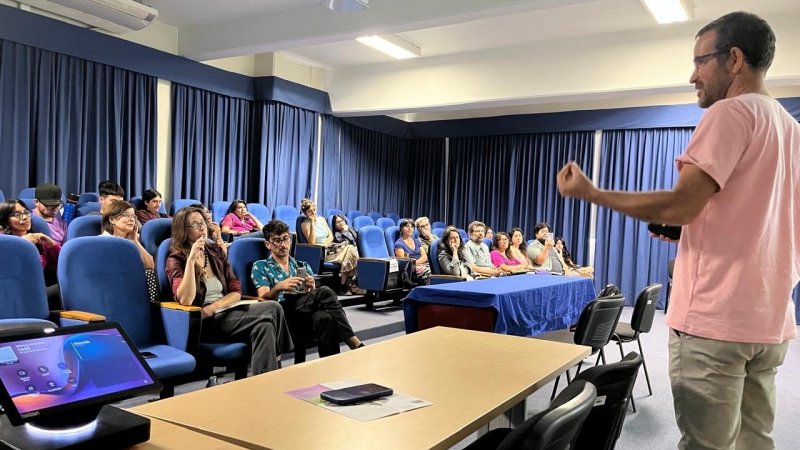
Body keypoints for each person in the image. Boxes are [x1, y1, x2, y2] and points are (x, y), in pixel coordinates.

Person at [556, 12, 798, 449]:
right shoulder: (791, 130)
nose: (693, 76)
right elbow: (762, 223)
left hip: (715, 323)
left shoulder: (730, 113)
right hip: (768, 320)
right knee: (755, 441)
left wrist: (592, 194)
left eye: (701, 61)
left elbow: (680, 204)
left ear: (735, 59)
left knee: (706, 444)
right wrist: (693, 233)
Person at [166, 208, 293, 375]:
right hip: (203, 320)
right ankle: (279, 358)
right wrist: (190, 261)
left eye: (203, 222)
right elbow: (186, 300)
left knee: (265, 326)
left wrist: (215, 306)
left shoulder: (215, 252)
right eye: (195, 224)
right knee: (273, 307)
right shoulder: (175, 259)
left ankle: (263, 386)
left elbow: (236, 290)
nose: (202, 227)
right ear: (183, 229)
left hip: (224, 311)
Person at [252, 219, 364, 358]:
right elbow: (262, 298)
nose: (283, 244)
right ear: (268, 244)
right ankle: (352, 341)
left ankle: (330, 365)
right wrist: (278, 288)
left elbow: (312, 297)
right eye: (277, 240)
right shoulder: (261, 266)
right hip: (283, 311)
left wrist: (311, 288)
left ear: (290, 240)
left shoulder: (302, 265)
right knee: (325, 292)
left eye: (285, 239)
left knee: (325, 317)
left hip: (304, 311)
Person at [299, 199, 362, 294]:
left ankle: (343, 285)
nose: (313, 213)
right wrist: (312, 223)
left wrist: (325, 246)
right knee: (350, 249)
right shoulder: (304, 224)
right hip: (319, 253)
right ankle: (348, 283)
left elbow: (330, 236)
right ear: (305, 213)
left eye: (314, 210)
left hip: (329, 248)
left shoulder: (322, 220)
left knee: (351, 248)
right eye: (310, 211)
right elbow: (311, 243)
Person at [0, 199, 60, 287]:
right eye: (17, 214)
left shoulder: (37, 238)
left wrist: (52, 244)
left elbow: (58, 266)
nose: (24, 217)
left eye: (26, 212)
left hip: (37, 288)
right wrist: (21, 244)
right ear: (6, 220)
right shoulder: (3, 241)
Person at [394, 218, 431, 285]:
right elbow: (404, 262)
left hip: (422, 266)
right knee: (430, 273)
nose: (410, 228)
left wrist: (415, 263)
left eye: (412, 227)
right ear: (401, 229)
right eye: (407, 226)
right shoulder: (399, 244)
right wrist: (415, 265)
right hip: (412, 271)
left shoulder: (417, 241)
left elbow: (425, 257)